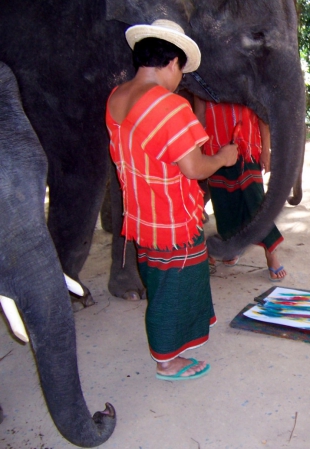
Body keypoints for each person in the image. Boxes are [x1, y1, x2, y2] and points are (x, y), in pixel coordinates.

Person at [105, 19, 238, 381]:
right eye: (181, 69)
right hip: (173, 218)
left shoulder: (116, 97)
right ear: (173, 63)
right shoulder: (169, 106)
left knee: (159, 280)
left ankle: (172, 344)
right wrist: (224, 158)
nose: (180, 77)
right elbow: (194, 168)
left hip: (140, 216)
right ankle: (167, 360)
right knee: (174, 289)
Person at [194, 99, 287, 282]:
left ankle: (271, 253)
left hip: (247, 148)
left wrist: (266, 151)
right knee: (223, 204)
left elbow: (261, 115)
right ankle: (231, 247)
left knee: (256, 201)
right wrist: (196, 152)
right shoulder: (202, 80)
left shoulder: (247, 74)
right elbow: (200, 116)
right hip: (215, 150)